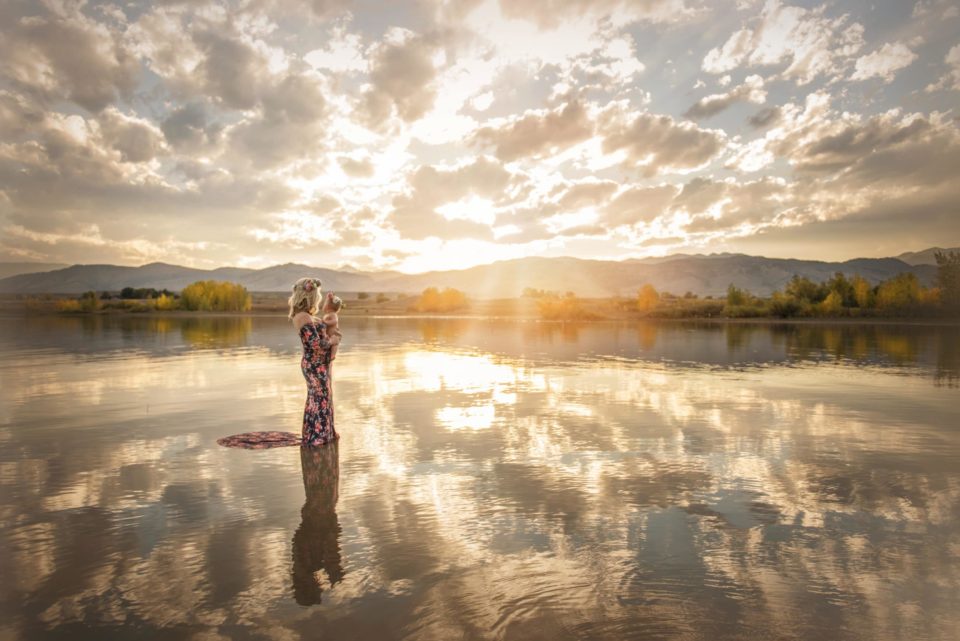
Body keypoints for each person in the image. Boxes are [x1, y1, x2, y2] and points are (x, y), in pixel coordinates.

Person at [289, 277, 341, 446]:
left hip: (319, 365)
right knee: (319, 398)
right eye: (317, 296)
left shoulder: (308, 316)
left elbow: (324, 331)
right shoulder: (303, 317)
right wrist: (333, 341)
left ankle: (323, 433)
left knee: (322, 397)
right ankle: (317, 436)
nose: (318, 300)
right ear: (309, 296)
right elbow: (316, 345)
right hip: (314, 365)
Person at [321, 292, 344, 362]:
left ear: (328, 306)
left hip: (334, 334)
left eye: (325, 304)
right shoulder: (327, 314)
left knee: (334, 344)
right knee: (330, 344)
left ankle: (332, 356)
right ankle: (329, 355)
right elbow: (323, 309)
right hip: (328, 335)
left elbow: (334, 321)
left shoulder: (333, 314)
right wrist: (327, 299)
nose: (324, 306)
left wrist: (325, 322)